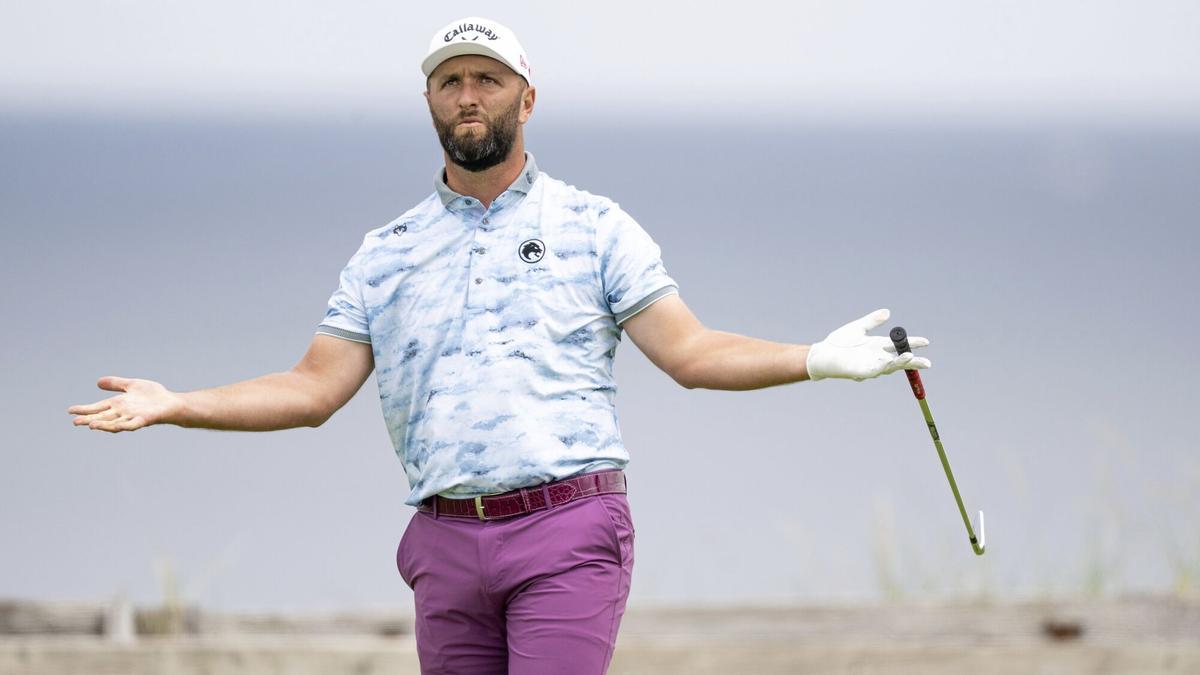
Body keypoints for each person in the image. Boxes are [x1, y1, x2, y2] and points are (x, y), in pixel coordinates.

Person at [67, 16, 930, 675]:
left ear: (526, 96)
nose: (468, 96)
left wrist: (816, 356)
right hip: (443, 540)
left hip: (567, 527)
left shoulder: (594, 226)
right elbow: (312, 389)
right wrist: (179, 403)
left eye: (487, 78)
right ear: (431, 101)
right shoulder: (387, 250)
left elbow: (693, 353)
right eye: (450, 82)